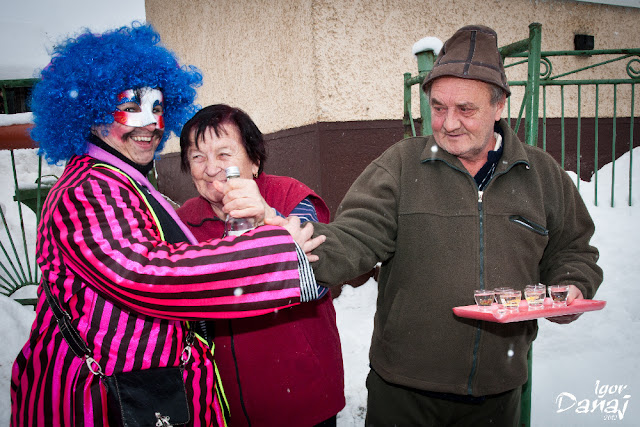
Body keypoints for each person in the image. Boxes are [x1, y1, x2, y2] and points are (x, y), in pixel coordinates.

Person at [10, 24, 324, 427]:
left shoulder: (124, 182)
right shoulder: (87, 188)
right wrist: (272, 252)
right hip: (104, 403)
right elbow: (142, 274)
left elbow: (320, 264)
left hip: (155, 394)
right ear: (92, 112)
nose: (151, 123)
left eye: (158, 107)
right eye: (130, 106)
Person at [297, 25, 603, 426]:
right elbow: (356, 235)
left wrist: (572, 285)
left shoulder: (541, 174)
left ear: (499, 106)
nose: (448, 123)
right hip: (404, 389)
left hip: (498, 390)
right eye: (438, 107)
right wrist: (300, 245)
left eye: (466, 109)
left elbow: (574, 250)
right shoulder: (400, 166)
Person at [176, 104, 345, 427]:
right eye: (197, 156)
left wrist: (268, 216)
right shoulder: (184, 222)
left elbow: (318, 276)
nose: (210, 168)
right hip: (222, 402)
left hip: (303, 395)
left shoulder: (290, 196)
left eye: (224, 154)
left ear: (254, 161)